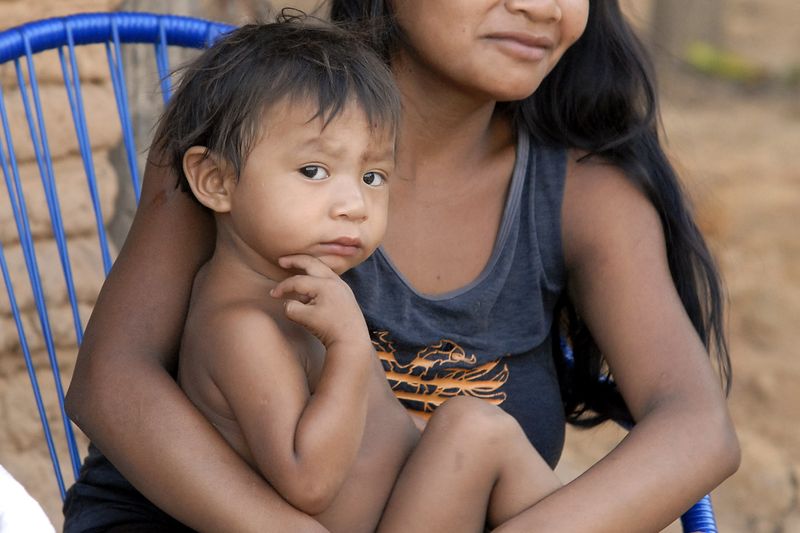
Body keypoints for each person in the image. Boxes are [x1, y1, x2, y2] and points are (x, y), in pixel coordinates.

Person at [64, 1, 741, 532]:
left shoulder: (586, 195)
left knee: (478, 430)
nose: (541, 6)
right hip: (172, 521)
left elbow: (696, 427)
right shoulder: (250, 120)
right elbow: (111, 382)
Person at [163, 20, 560, 532]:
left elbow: (386, 438)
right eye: (314, 171)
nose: (354, 205)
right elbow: (308, 483)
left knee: (471, 428)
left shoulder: (295, 295)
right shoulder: (242, 327)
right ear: (216, 180)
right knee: (475, 430)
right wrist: (352, 346)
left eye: (373, 177)